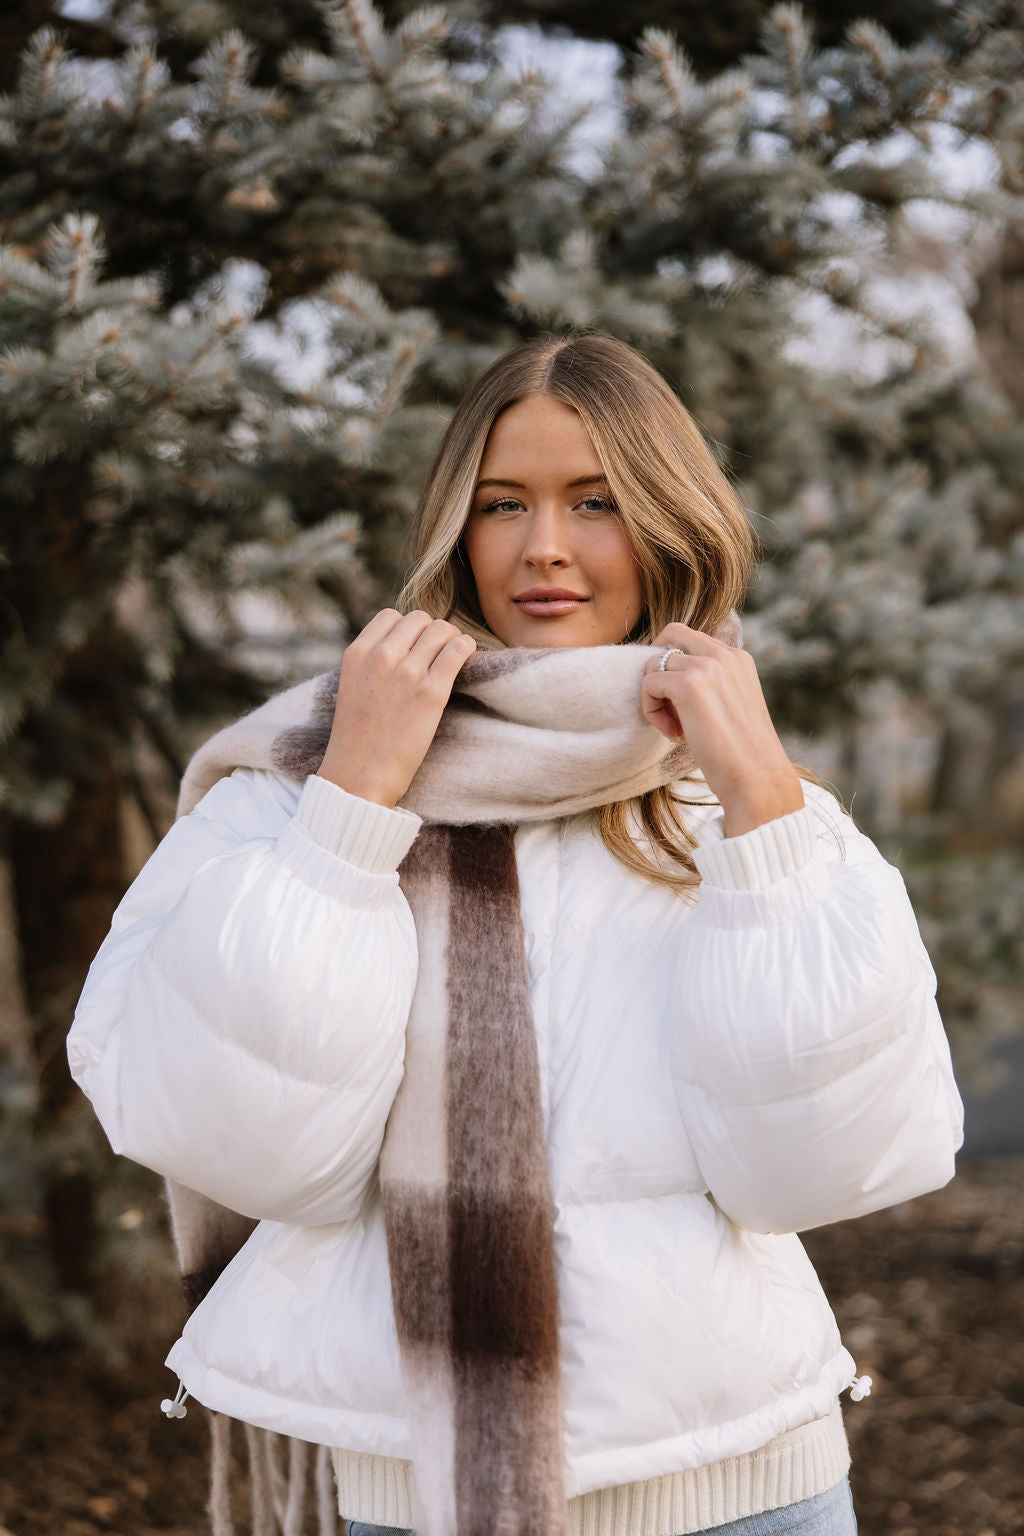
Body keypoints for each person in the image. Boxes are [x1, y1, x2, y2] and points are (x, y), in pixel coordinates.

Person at [68, 332, 964, 1536]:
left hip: (752, 1488)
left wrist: (762, 809)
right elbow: (247, 1143)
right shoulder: (295, 790)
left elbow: (820, 1167)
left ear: (667, 524)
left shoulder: (750, 812)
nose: (544, 544)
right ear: (457, 530)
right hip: (416, 1502)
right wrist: (351, 808)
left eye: (595, 500)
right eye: (504, 504)